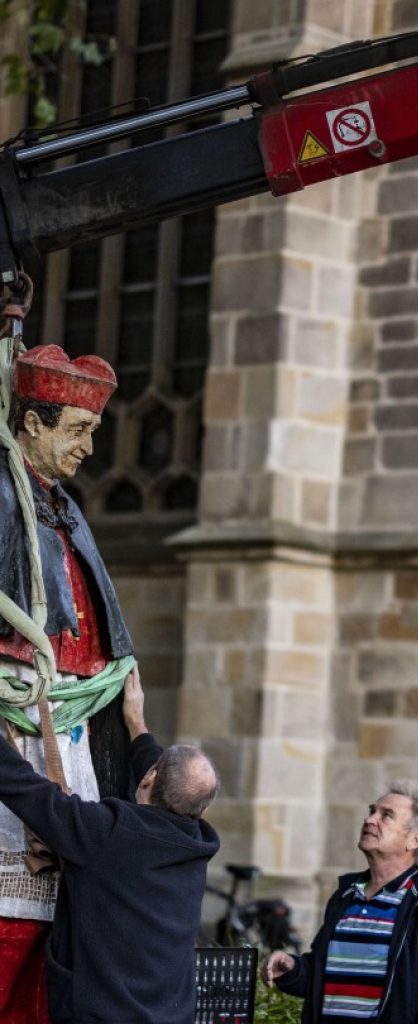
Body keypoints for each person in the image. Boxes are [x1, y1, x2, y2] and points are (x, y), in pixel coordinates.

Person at [0, 343, 136, 1021]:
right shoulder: (6, 496)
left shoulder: (66, 506)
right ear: (31, 424)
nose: (88, 449)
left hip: (73, 729)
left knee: (57, 928)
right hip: (17, 724)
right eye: (77, 431)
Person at [0, 667, 220, 1024]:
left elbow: (25, 790)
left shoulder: (108, 835)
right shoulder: (196, 845)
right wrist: (138, 726)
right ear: (203, 811)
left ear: (150, 778)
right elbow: (172, 793)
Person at [264, 780, 418, 1023]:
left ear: (415, 840)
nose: (370, 820)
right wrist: (292, 968)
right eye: (371, 811)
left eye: (386, 816)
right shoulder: (346, 895)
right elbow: (323, 976)